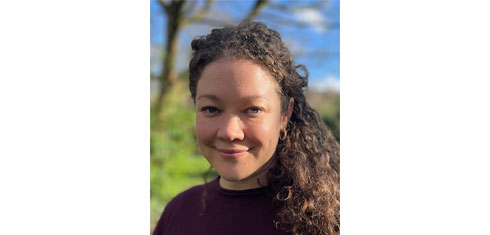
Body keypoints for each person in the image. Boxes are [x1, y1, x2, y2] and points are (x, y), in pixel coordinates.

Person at [153, 21, 340, 235]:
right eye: (211, 109)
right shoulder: (178, 211)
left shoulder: (329, 221)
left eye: (253, 109)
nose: (229, 132)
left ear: (284, 115)